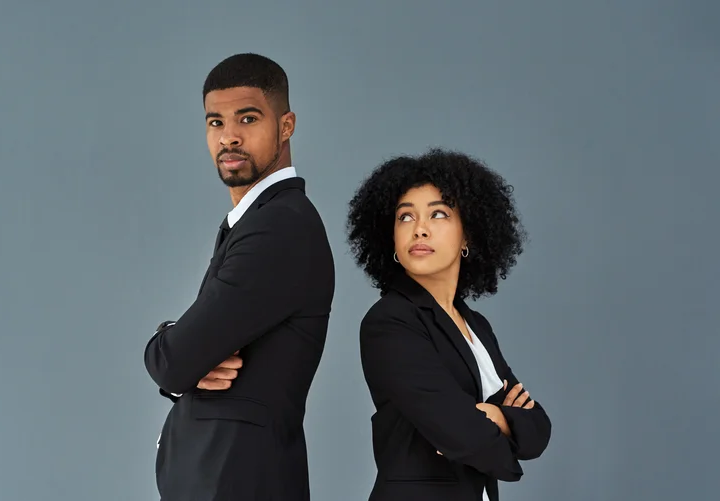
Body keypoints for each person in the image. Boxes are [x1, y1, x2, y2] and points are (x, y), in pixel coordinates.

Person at [144, 53, 335, 501]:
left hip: (239, 483)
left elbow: (173, 362)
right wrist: (190, 360)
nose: (229, 136)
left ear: (286, 126)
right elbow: (188, 363)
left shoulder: (281, 226)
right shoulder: (254, 223)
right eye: (215, 123)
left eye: (247, 118)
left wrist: (169, 340)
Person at [346, 148, 551, 501]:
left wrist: (495, 419)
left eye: (438, 214)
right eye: (405, 217)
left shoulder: (477, 326)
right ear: (391, 238)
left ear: (467, 234)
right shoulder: (390, 322)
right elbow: (460, 432)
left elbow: (538, 427)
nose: (419, 229)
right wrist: (499, 425)